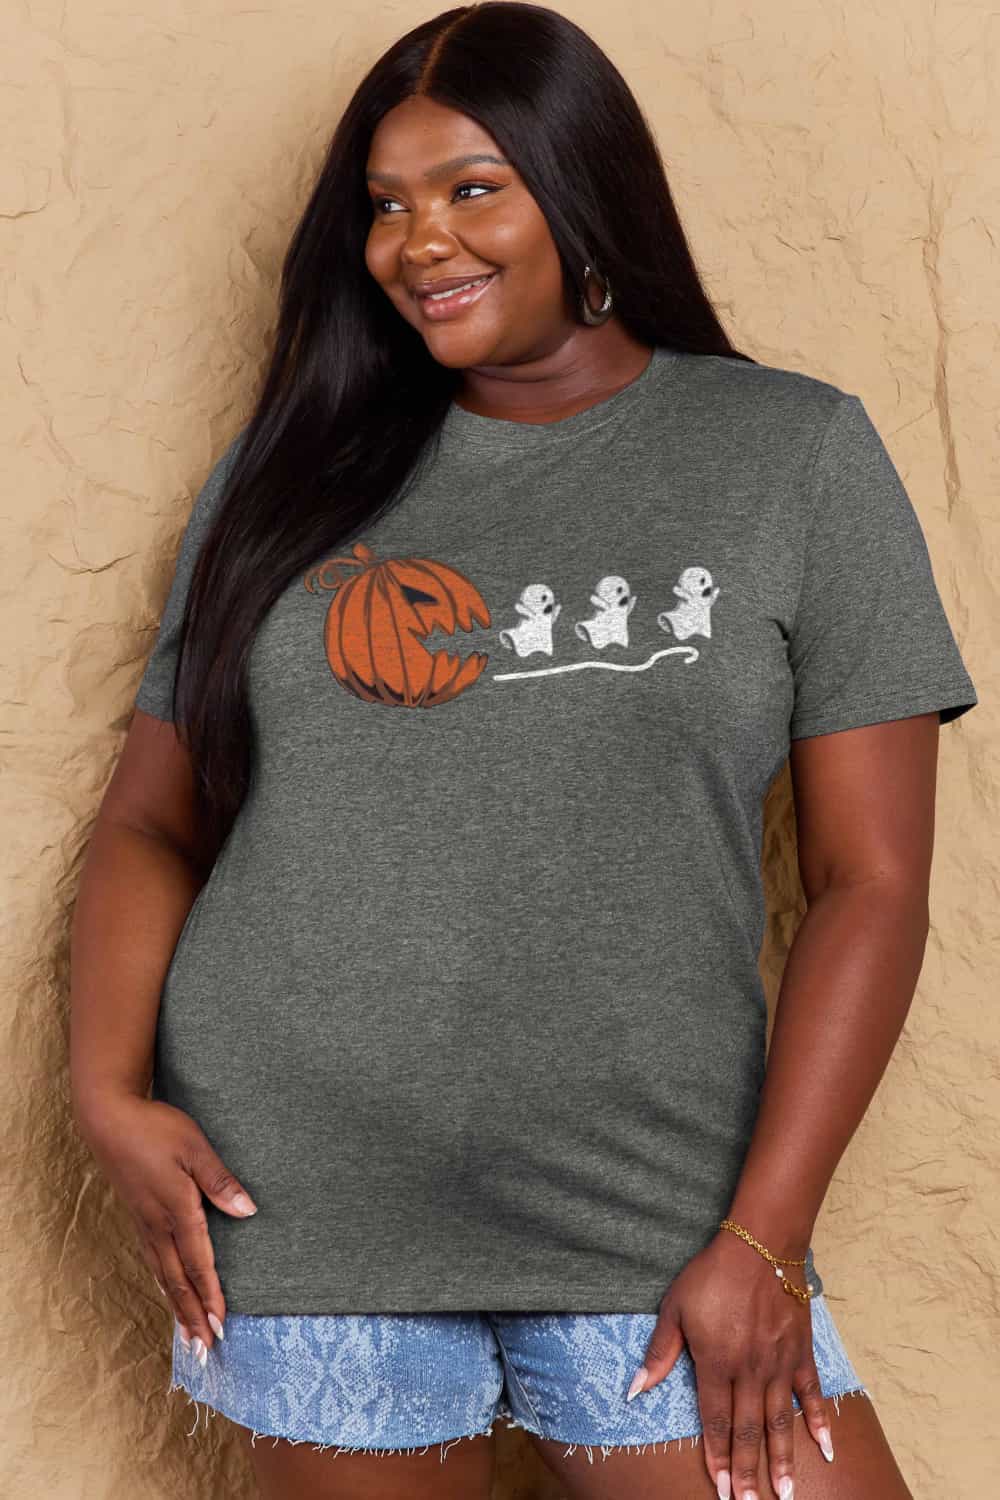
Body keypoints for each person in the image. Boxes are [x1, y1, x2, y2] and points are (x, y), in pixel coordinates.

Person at [69, 5, 978, 1499]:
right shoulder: (288, 473)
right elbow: (151, 823)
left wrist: (766, 1235)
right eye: (385, 205)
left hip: (657, 1204)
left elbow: (870, 883)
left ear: (581, 187)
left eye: (472, 188)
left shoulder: (789, 453)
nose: (418, 241)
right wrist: (108, 1095)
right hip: (302, 1197)